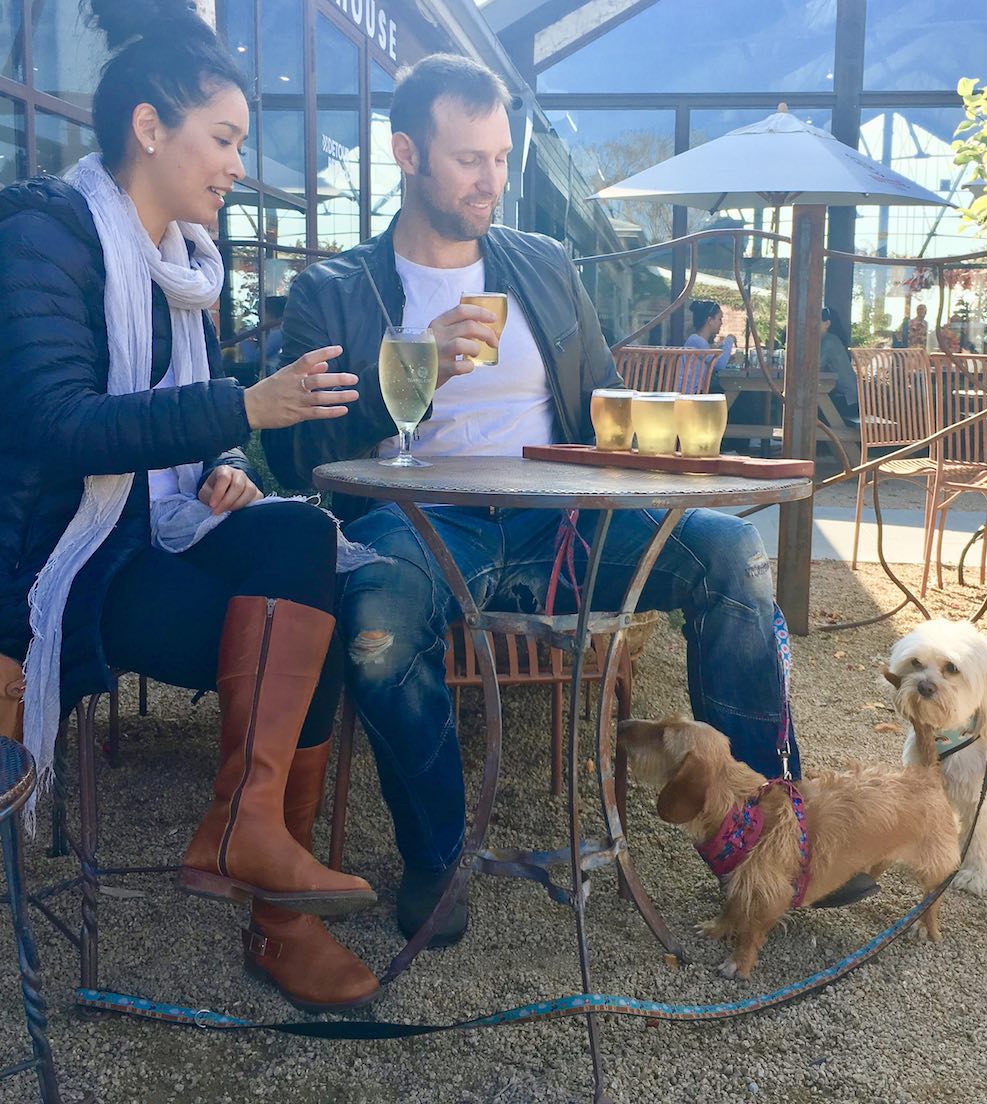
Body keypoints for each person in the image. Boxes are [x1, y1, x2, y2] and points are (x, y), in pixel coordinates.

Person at [264, 53, 874, 947]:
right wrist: (418, 362)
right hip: (425, 524)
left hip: (565, 521)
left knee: (730, 556)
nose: (492, 180)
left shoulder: (543, 264)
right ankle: (439, 854)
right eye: (469, 158)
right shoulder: (334, 291)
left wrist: (678, 450)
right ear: (406, 153)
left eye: (501, 157)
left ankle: (777, 833)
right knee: (380, 621)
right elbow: (300, 459)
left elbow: (605, 406)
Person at [0, 0, 379, 1012]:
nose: (237, 167)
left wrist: (221, 467)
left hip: (151, 532)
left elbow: (188, 424)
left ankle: (247, 836)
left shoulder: (188, 269)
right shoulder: (44, 235)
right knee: (308, 617)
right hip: (61, 565)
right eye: (224, 140)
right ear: (150, 128)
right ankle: (273, 900)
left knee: (301, 545)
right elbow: (57, 426)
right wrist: (238, 417)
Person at [682, 297, 735, 390]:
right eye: (719, 319)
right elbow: (720, 365)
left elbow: (714, 364)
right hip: (689, 393)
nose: (721, 323)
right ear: (710, 320)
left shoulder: (698, 341)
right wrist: (730, 339)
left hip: (695, 391)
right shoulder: (696, 341)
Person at [819, 308, 860, 424]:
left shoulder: (829, 341)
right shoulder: (828, 340)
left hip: (847, 400)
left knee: (811, 409)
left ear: (827, 323)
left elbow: (815, 367)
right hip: (849, 398)